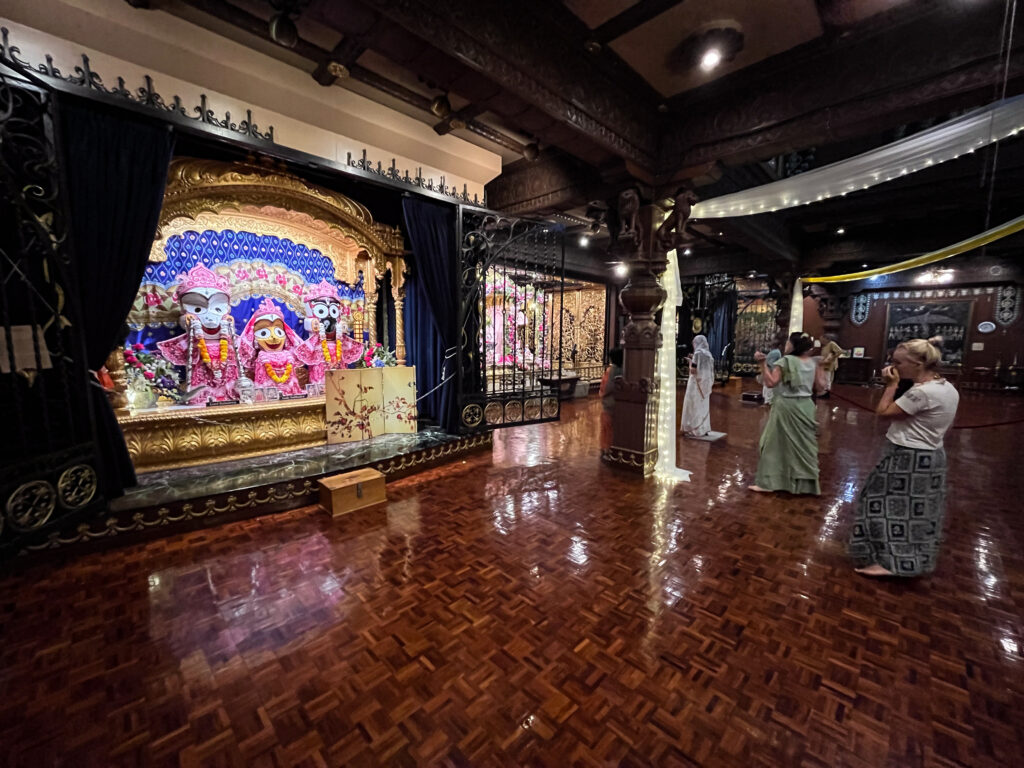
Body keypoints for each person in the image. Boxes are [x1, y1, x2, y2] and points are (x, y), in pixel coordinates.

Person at [848, 337, 959, 577]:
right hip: (932, 455)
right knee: (915, 513)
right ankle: (908, 560)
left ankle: (891, 563)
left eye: (898, 362)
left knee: (884, 506)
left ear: (919, 363)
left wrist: (890, 385)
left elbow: (883, 412)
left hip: (907, 456)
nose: (893, 366)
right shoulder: (947, 387)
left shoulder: (922, 393)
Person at [750, 332, 827, 494]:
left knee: (771, 445)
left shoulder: (785, 361)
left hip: (786, 406)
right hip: (806, 406)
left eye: (788, 342)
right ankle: (805, 486)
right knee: (804, 447)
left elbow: (770, 383)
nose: (786, 345)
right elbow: (821, 388)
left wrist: (762, 363)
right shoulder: (814, 363)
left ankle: (768, 483)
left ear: (792, 345)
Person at [680, 334, 715, 437]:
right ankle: (703, 428)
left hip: (695, 384)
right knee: (703, 405)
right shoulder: (708, 355)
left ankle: (693, 428)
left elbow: (693, 370)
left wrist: (690, 362)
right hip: (705, 384)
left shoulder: (698, 354)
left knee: (693, 405)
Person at [599, 347, 623, 452]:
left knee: (607, 426)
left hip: (609, 402)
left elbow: (607, 386)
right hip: (620, 401)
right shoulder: (623, 369)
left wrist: (602, 394)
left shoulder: (610, 370)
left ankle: (607, 447)